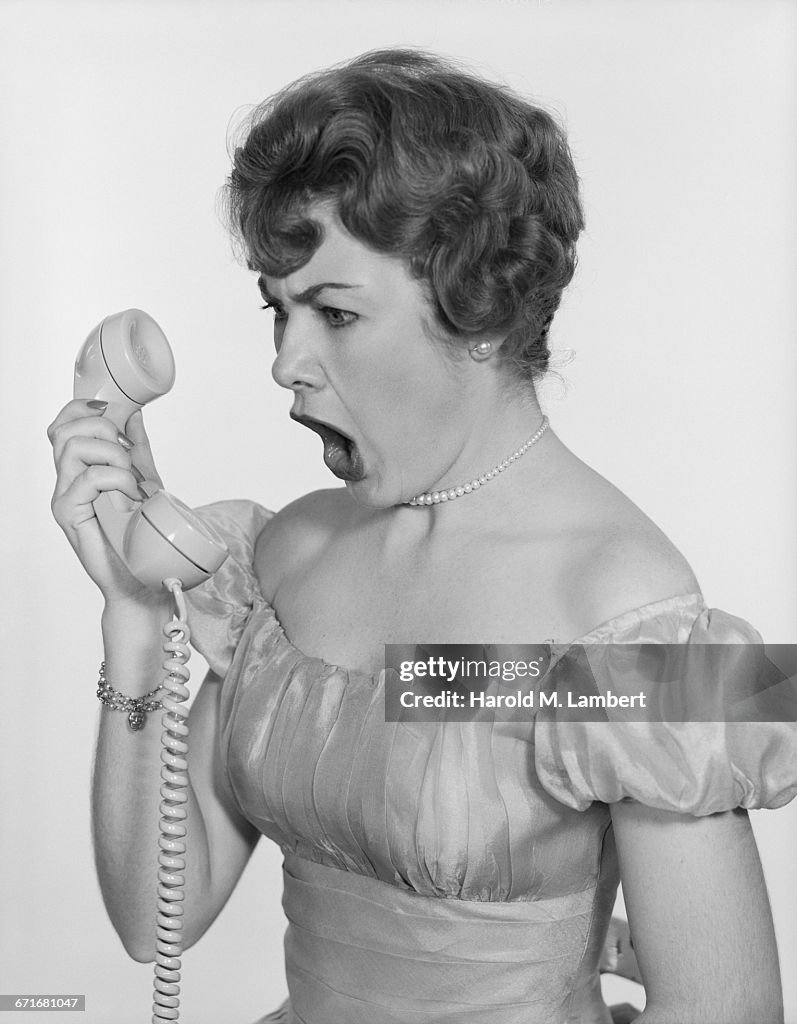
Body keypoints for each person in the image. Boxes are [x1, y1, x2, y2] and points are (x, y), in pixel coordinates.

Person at [48, 49, 795, 1024]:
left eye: (334, 311)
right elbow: (158, 922)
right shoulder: (289, 558)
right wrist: (137, 619)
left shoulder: (633, 614)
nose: (285, 363)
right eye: (276, 311)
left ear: (476, 308)